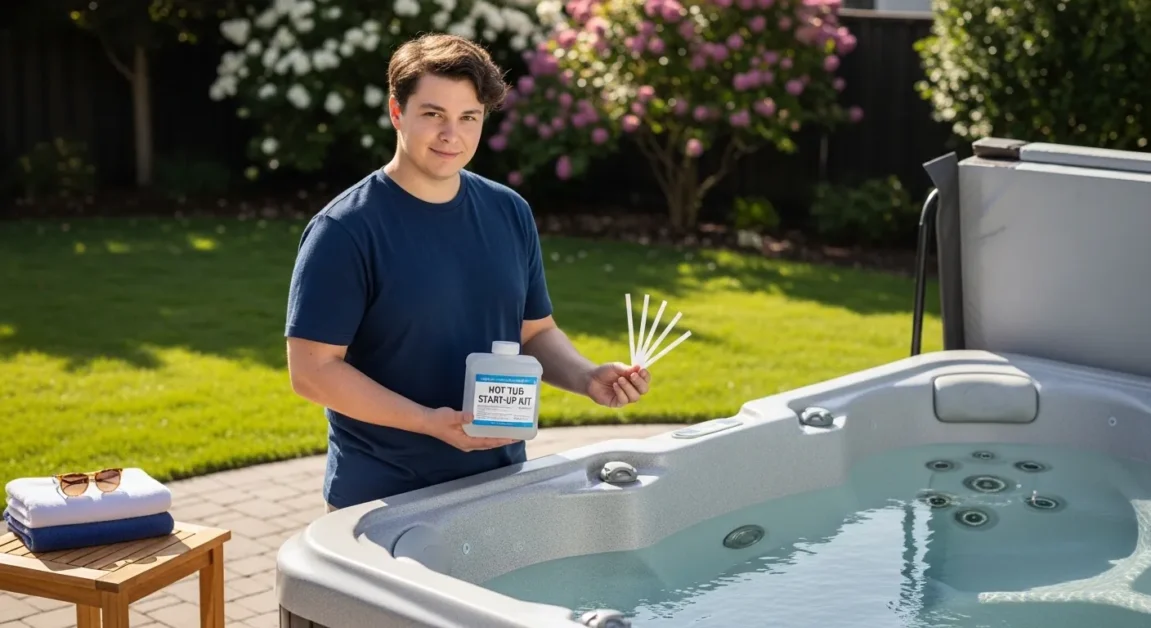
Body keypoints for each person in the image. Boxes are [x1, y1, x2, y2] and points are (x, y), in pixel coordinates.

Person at [284, 33, 653, 512]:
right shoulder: (345, 229)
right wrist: (429, 421)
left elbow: (533, 331)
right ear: (397, 113)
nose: (450, 135)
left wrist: (588, 378)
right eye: (433, 114)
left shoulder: (509, 211)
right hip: (383, 498)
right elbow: (312, 372)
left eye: (468, 118)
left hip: (500, 482)